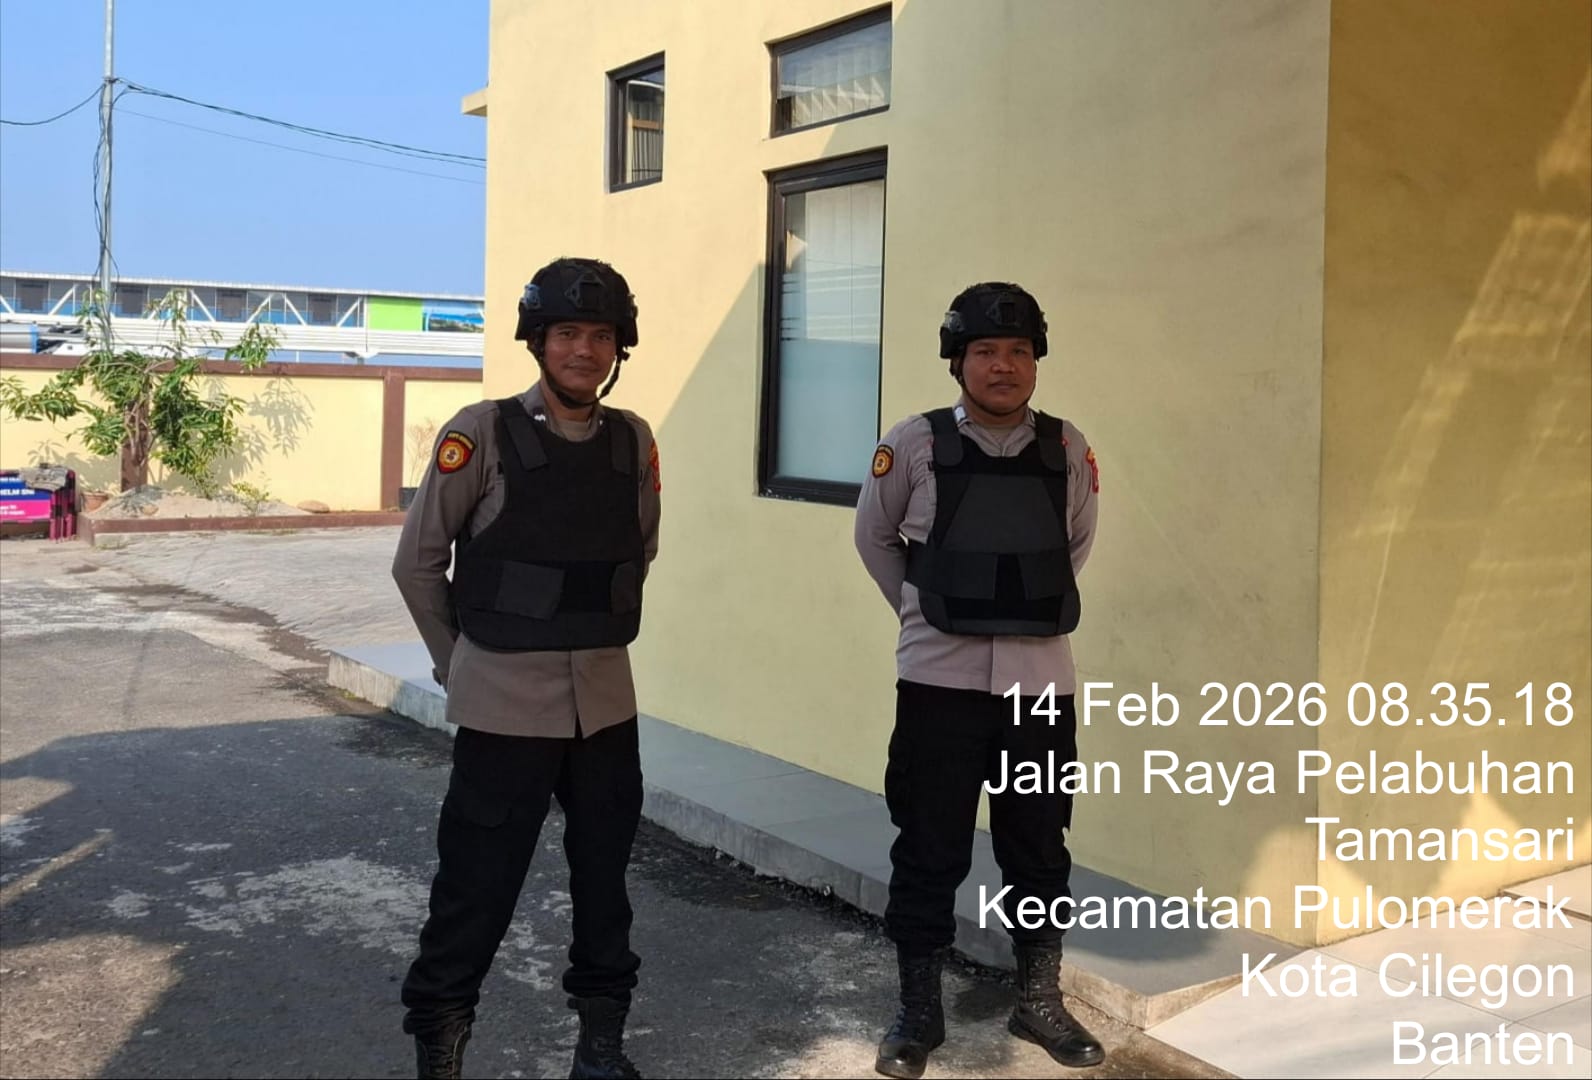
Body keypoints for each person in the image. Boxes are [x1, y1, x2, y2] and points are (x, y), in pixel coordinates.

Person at [392, 256, 661, 1080]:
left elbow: (639, 551)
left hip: (605, 709)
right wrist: (460, 666)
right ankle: (441, 1050)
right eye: (568, 333)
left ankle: (601, 1051)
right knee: (476, 891)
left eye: (602, 336)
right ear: (538, 341)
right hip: (504, 709)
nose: (585, 350)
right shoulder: (481, 431)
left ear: (619, 347)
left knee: (605, 889)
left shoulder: (634, 440)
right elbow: (417, 563)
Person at [853, 281, 1104, 1078]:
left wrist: (1010, 605)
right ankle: (917, 1012)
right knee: (928, 848)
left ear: (1037, 361)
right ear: (957, 361)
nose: (1004, 366)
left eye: (1020, 351)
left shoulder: (1067, 448)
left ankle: (1038, 1001)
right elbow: (874, 538)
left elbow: (1074, 544)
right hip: (939, 687)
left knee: (1040, 846)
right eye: (987, 351)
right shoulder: (914, 443)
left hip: (1040, 688)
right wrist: (928, 612)